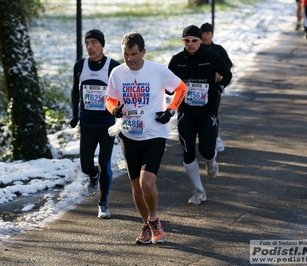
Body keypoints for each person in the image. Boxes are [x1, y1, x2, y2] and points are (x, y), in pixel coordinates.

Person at [105, 32, 186, 244]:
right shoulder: (117, 73)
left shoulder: (157, 71)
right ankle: (146, 226)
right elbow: (110, 98)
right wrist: (114, 110)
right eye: (125, 54)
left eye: (133, 54)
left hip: (154, 134)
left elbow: (181, 88)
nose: (129, 59)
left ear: (143, 52)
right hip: (129, 134)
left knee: (147, 183)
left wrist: (170, 111)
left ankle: (155, 220)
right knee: (136, 188)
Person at [168, 25, 232, 205]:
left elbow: (227, 74)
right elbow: (167, 83)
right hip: (186, 112)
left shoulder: (211, 58)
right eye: (186, 40)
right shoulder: (177, 60)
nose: (190, 44)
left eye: (194, 40)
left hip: (207, 111)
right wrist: (171, 89)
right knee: (188, 152)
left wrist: (219, 87)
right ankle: (199, 190)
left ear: (199, 41)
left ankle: (211, 160)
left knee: (206, 150)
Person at [69, 29, 120, 218]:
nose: (90, 47)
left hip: (107, 124)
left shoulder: (113, 67)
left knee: (105, 163)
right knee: (85, 166)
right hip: (88, 123)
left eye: (94, 43)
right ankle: (93, 175)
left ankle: (103, 203)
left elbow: (120, 94)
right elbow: (76, 91)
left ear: (102, 44)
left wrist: (119, 114)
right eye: (87, 43)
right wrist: (75, 115)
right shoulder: (80, 66)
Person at [200, 22, 233, 153]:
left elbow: (228, 66)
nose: (205, 36)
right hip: (197, 88)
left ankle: (215, 136)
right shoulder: (196, 50)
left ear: (212, 34)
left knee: (212, 113)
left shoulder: (218, 50)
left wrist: (219, 73)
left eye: (207, 33)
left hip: (213, 89)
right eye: (203, 33)